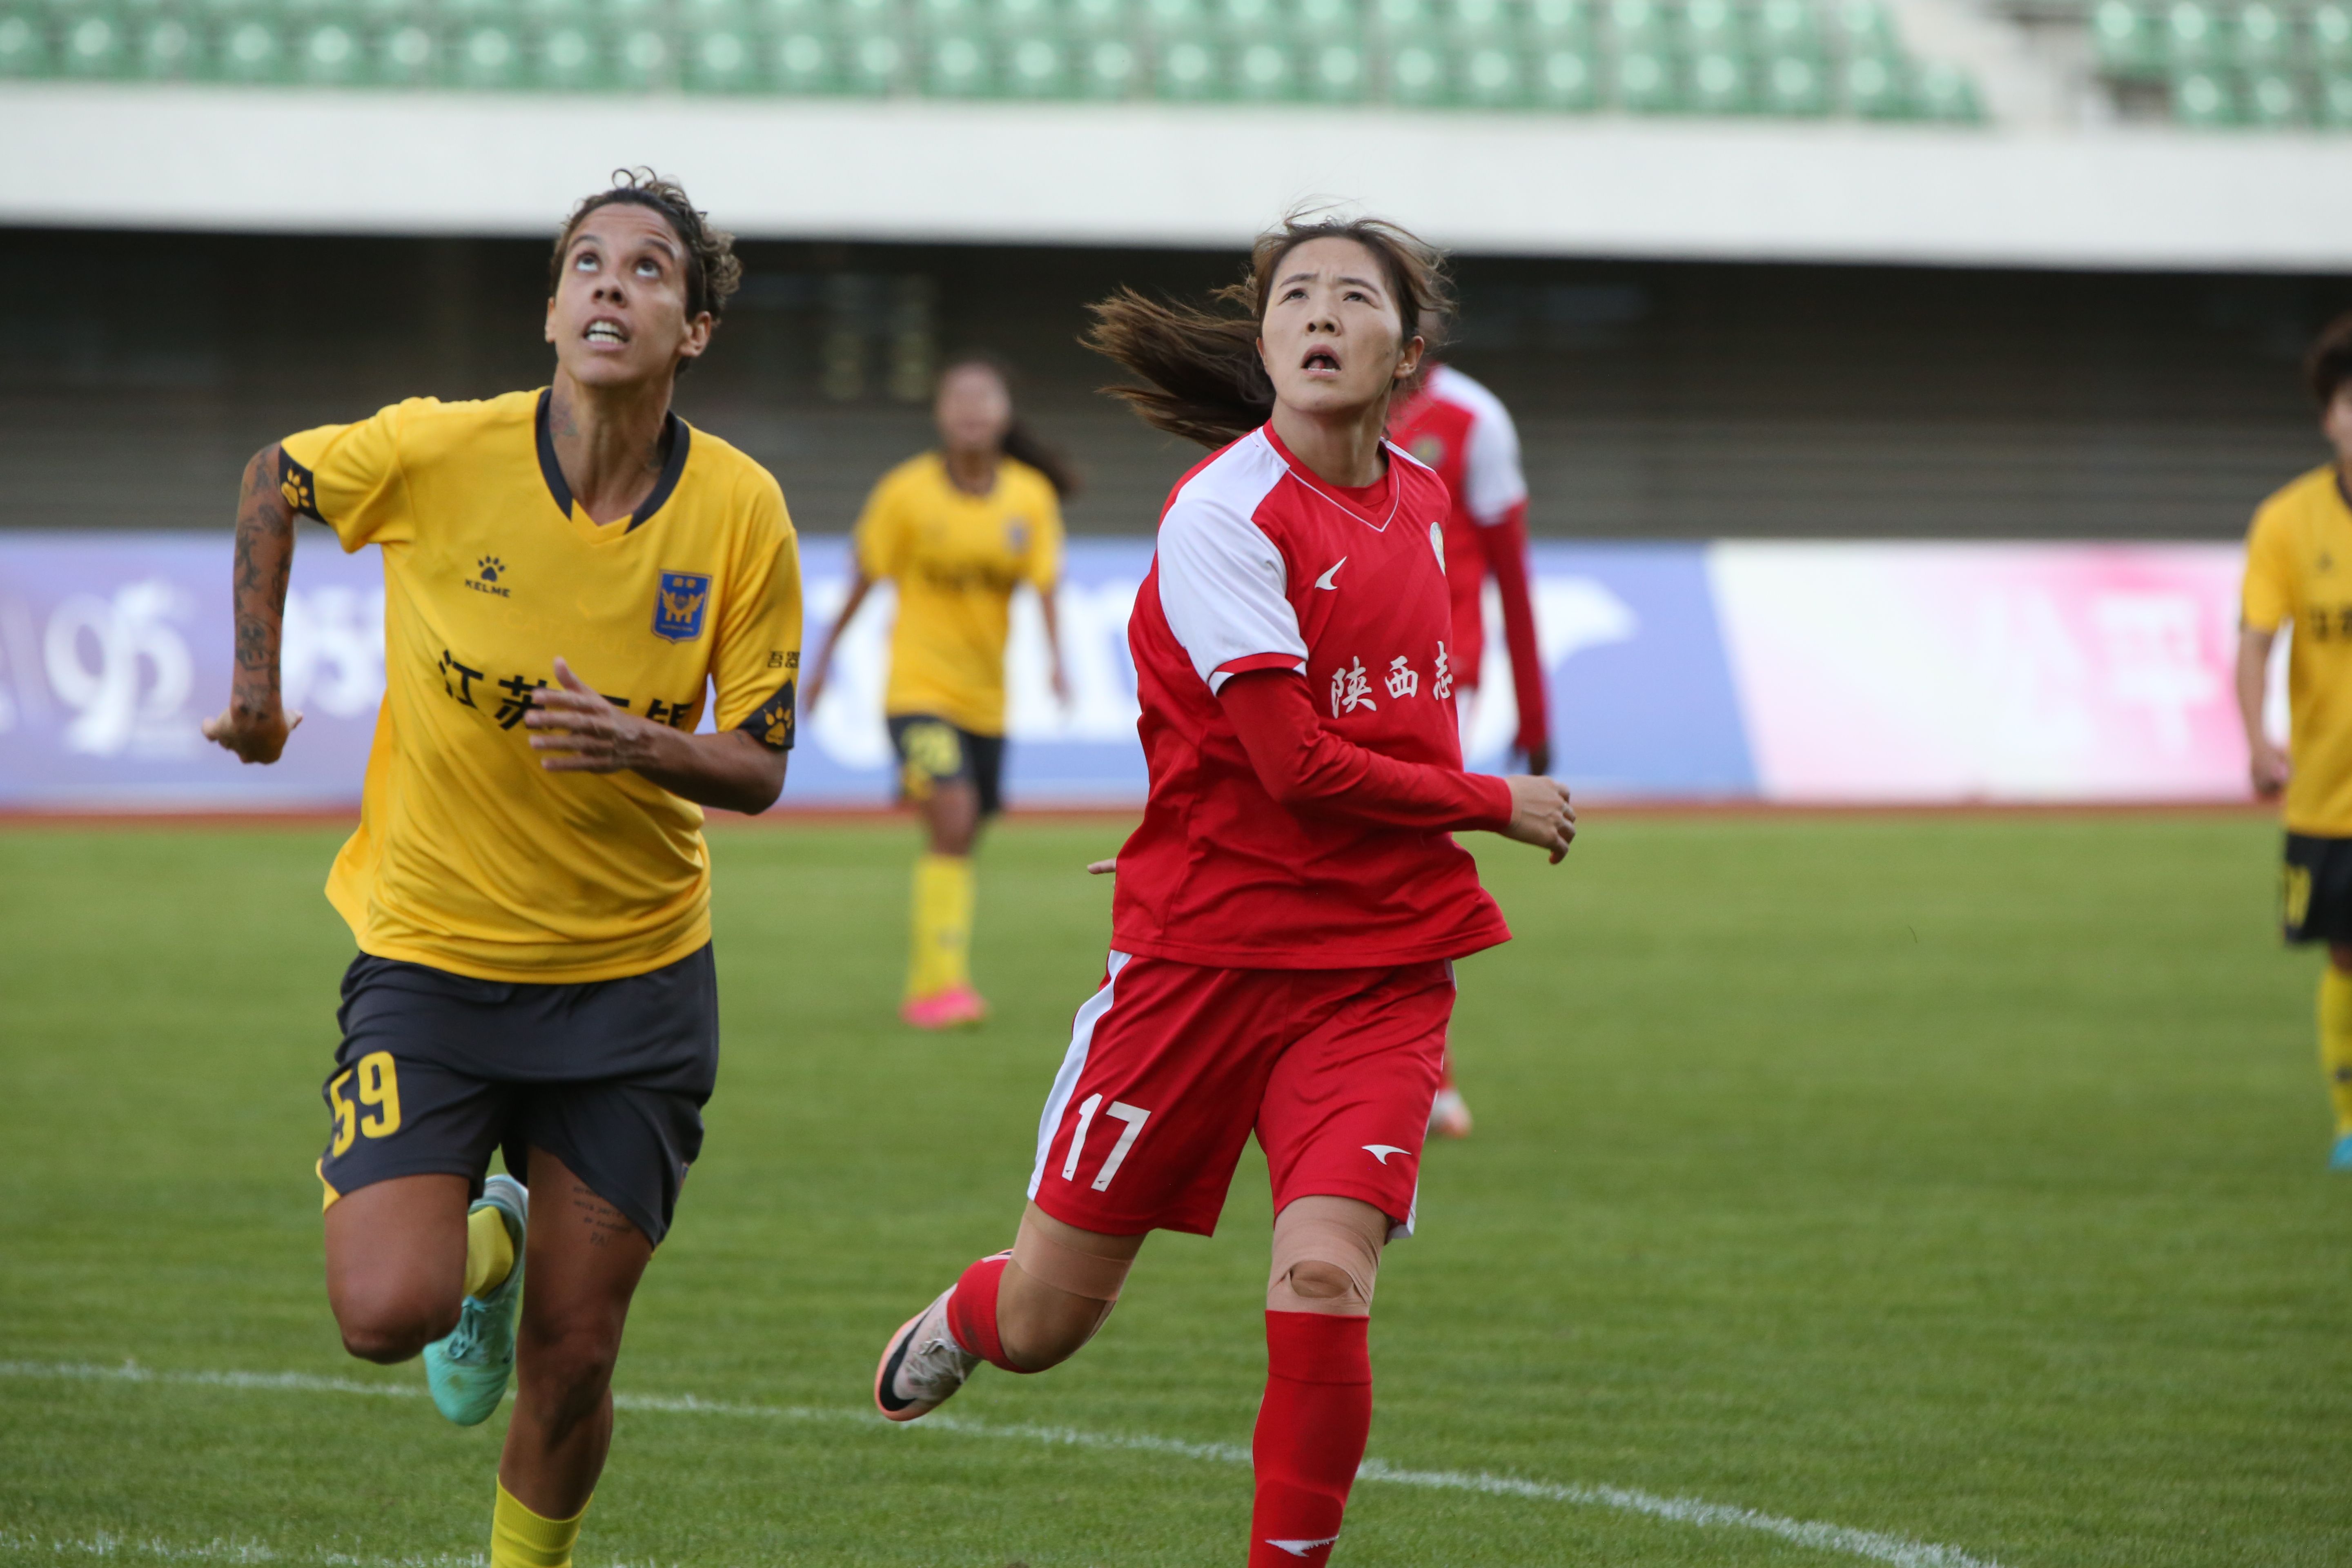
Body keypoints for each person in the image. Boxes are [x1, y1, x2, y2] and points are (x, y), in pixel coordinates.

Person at [869, 214, 1576, 1568]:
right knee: (1047, 1326)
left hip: (1373, 971)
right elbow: (1293, 762)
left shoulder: (1423, 508)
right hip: (1198, 970)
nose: (1319, 315)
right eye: (1293, 297)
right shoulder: (1222, 513)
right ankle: (970, 1317)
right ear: (1263, 346)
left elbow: (1379, 739)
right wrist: (1497, 802)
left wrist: (1193, 821)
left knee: (1324, 1276)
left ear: (1406, 352)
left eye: (1351, 298)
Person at [200, 172, 802, 1568]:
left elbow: (763, 763)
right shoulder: (435, 451)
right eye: (586, 264)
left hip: (635, 985)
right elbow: (272, 481)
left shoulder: (740, 513)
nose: (611, 286)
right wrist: (254, 692)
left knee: (575, 1361)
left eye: (649, 270)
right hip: (433, 959)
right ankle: (494, 1242)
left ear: (693, 328)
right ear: (549, 308)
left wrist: (642, 742)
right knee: (382, 1313)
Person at [802, 355, 1071, 1029]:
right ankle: (937, 990)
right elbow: (864, 580)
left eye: (986, 397)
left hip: (988, 701)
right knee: (953, 817)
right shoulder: (905, 494)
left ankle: (934, 977)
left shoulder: (1029, 497)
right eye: (960, 398)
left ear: (1006, 412)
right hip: (916, 691)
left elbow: (1045, 586)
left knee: (964, 831)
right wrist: (824, 659)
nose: (973, 410)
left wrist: (1059, 661)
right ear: (940, 413)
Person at [1387, 359, 1551, 1139]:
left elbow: (1511, 565)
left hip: (1440, 671)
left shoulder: (1471, 416)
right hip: (1333, 666)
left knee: (1412, 850)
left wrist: (1536, 709)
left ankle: (1427, 1076)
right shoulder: (1314, 402)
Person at [2238, 310, 2352, 1172]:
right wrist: (2258, 739)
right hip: (2328, 790)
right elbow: (2255, 641)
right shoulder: (2287, 522)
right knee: (2346, 957)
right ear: (2328, 416)